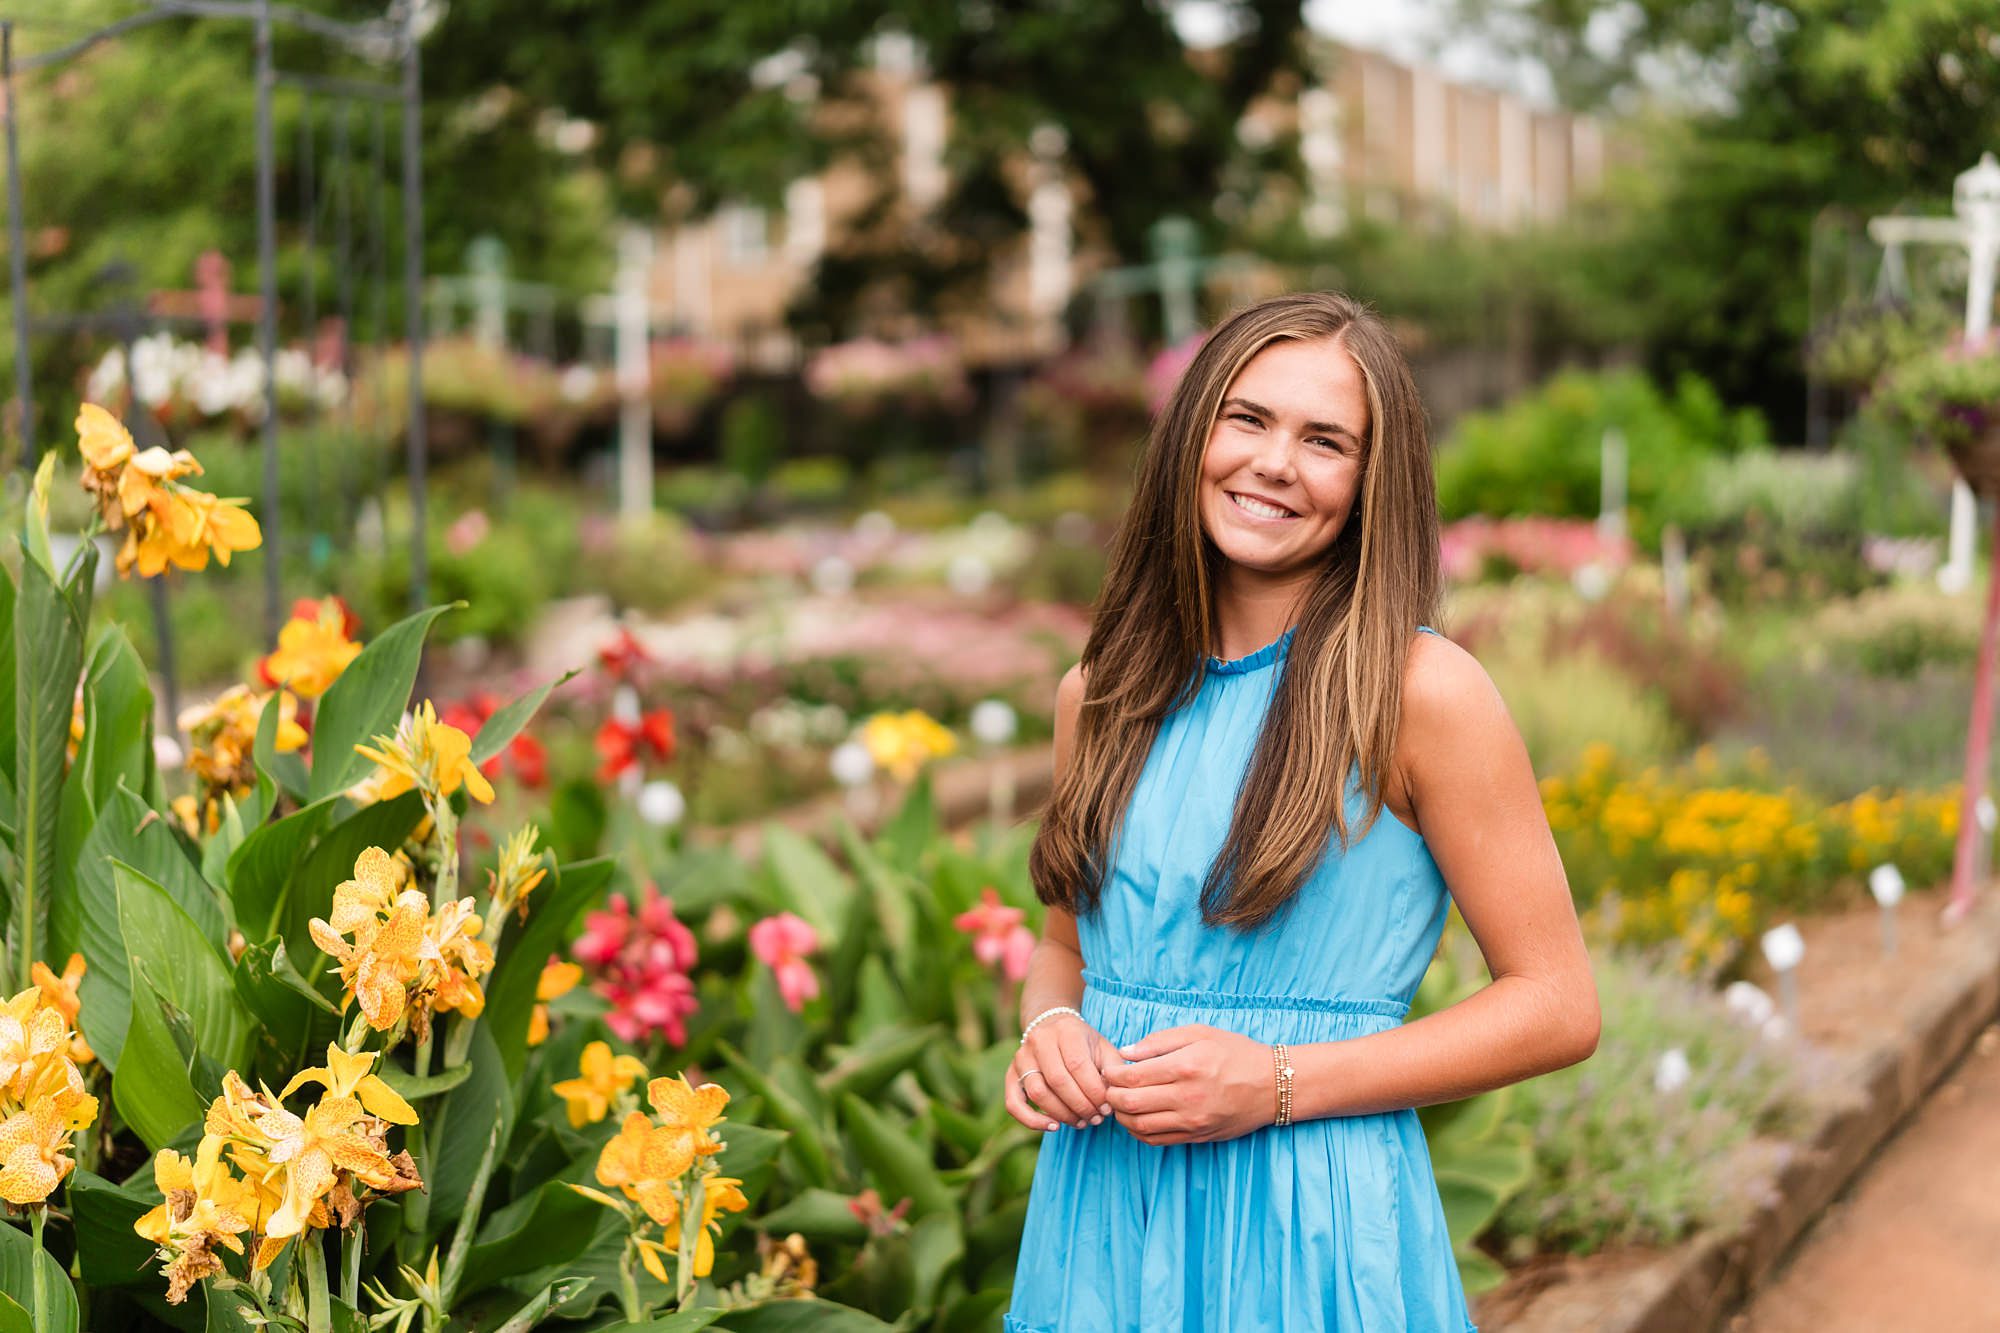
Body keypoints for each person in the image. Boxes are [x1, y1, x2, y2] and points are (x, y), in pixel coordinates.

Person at [1001, 291, 1599, 1332]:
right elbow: (1067, 946)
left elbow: (1556, 1003)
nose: (1273, 462)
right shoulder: (1096, 691)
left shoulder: (1421, 694)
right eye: (1246, 418)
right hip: (1100, 1216)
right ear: (1191, 435)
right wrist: (1049, 1026)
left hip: (1308, 1222)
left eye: (1324, 440)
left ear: (1372, 485)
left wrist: (1273, 1082)